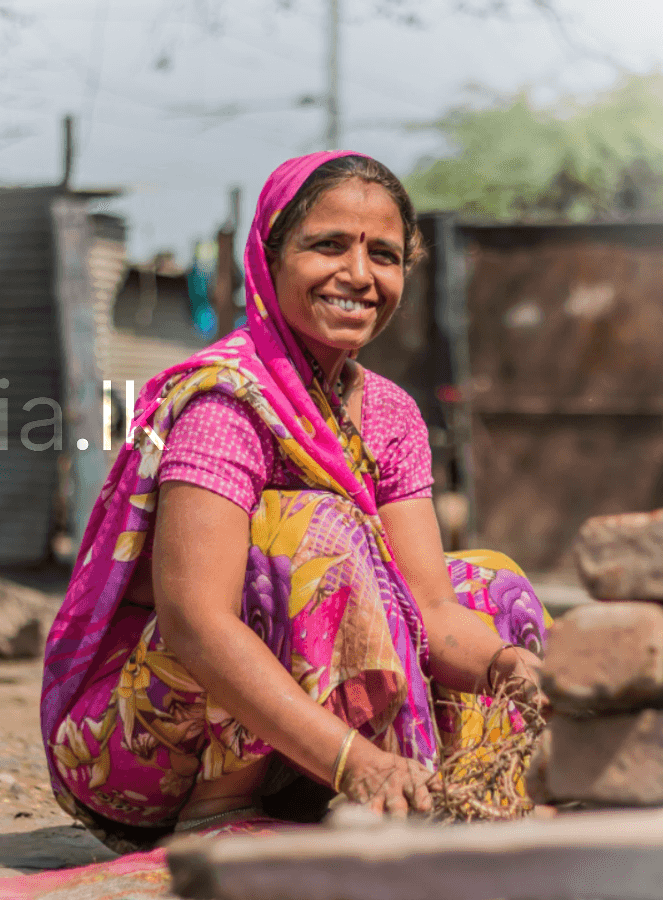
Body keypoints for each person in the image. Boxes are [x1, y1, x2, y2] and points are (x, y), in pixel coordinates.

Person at [41, 152, 549, 851]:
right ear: (271, 255)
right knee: (313, 536)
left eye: (385, 254)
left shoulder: (391, 414)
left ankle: (455, 789)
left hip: (303, 752)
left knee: (490, 587)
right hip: (143, 750)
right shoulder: (227, 403)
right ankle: (223, 812)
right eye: (328, 246)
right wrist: (356, 762)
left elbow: (431, 609)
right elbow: (194, 621)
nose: (360, 276)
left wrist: (509, 670)